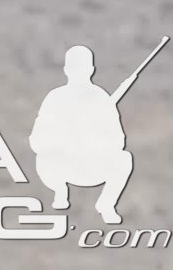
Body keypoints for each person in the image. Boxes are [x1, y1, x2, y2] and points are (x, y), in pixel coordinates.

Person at [32, 46, 134, 226]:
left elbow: (118, 140)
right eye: (75, 68)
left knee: (124, 159)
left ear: (91, 70)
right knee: (43, 158)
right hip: (61, 167)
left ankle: (106, 204)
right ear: (66, 70)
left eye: (83, 68)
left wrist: (94, 139)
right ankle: (59, 190)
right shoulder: (55, 98)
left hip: (93, 166)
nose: (79, 73)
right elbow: (37, 139)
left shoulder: (101, 99)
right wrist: (61, 140)